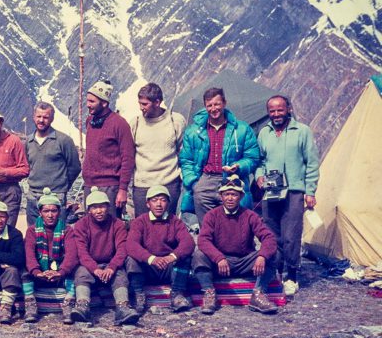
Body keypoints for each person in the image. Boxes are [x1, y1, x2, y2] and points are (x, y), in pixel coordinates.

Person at [255, 95, 320, 297]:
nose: (276, 114)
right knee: (271, 234)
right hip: (272, 191)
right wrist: (258, 176)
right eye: (272, 111)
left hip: (294, 190)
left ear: (289, 109)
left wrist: (310, 190)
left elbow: (311, 162)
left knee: (291, 235)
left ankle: (291, 275)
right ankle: (275, 273)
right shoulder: (263, 133)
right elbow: (260, 161)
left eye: (280, 110)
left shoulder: (302, 131)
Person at [193, 175, 278, 315]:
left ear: (241, 196)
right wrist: (218, 258)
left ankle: (258, 293)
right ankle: (209, 293)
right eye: (226, 194)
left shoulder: (250, 215)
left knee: (274, 253)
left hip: (244, 262)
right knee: (199, 255)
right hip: (221, 263)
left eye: (234, 194)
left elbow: (268, 237)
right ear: (221, 196)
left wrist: (262, 256)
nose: (230, 198)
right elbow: (203, 240)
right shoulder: (212, 215)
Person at [179, 87, 260, 225]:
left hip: (232, 179)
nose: (213, 108)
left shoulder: (241, 129)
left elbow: (253, 157)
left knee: (234, 224)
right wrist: (193, 183)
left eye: (217, 104)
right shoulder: (193, 132)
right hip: (205, 179)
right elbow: (186, 160)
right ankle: (209, 245)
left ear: (224, 103)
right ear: (205, 106)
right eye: (209, 105)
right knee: (207, 225)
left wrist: (239, 166)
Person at [70, 186, 138, 326]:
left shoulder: (117, 224)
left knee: (120, 275)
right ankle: (82, 305)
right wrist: (95, 269)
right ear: (88, 210)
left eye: (102, 207)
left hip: (110, 264)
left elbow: (121, 249)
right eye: (94, 207)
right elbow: (82, 252)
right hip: (89, 264)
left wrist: (111, 267)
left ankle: (122, 307)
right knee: (81, 273)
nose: (99, 211)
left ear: (108, 207)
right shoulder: (81, 225)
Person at [125, 185, 194, 314]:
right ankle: (139, 294)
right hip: (148, 268)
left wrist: (171, 257)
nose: (158, 204)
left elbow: (188, 242)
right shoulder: (140, 222)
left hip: (168, 267)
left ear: (168, 203)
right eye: (154, 200)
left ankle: (177, 294)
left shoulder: (175, 221)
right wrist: (151, 259)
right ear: (147, 203)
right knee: (131, 259)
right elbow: (131, 244)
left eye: (162, 200)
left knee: (185, 256)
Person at [128, 83, 185, 217]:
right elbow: (129, 154)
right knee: (143, 226)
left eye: (145, 104)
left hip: (169, 182)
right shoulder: (135, 123)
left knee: (169, 226)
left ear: (157, 102)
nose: (141, 108)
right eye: (140, 103)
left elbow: (182, 151)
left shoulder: (175, 121)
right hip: (142, 184)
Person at [81, 80, 136, 217]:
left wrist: (123, 189)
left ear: (104, 103)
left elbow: (128, 158)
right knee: (92, 227)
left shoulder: (119, 124)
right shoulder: (90, 121)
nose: (88, 105)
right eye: (87, 101)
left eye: (92, 102)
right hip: (89, 185)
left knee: (112, 227)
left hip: (110, 187)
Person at [24, 188, 78, 324]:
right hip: (40, 273)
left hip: (60, 272)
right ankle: (30, 304)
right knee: (24, 272)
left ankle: (68, 304)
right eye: (46, 211)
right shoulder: (31, 231)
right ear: (40, 213)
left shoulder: (67, 230)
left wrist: (60, 272)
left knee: (77, 270)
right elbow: (29, 254)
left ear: (59, 212)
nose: (50, 215)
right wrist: (37, 272)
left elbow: (71, 255)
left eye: (53, 211)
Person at [25, 101, 81, 226]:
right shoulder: (28, 141)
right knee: (33, 233)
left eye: (45, 117)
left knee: (57, 234)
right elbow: (27, 166)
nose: (41, 120)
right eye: (39, 116)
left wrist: (62, 185)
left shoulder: (64, 140)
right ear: (33, 117)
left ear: (52, 119)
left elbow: (75, 167)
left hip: (56, 195)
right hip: (33, 196)